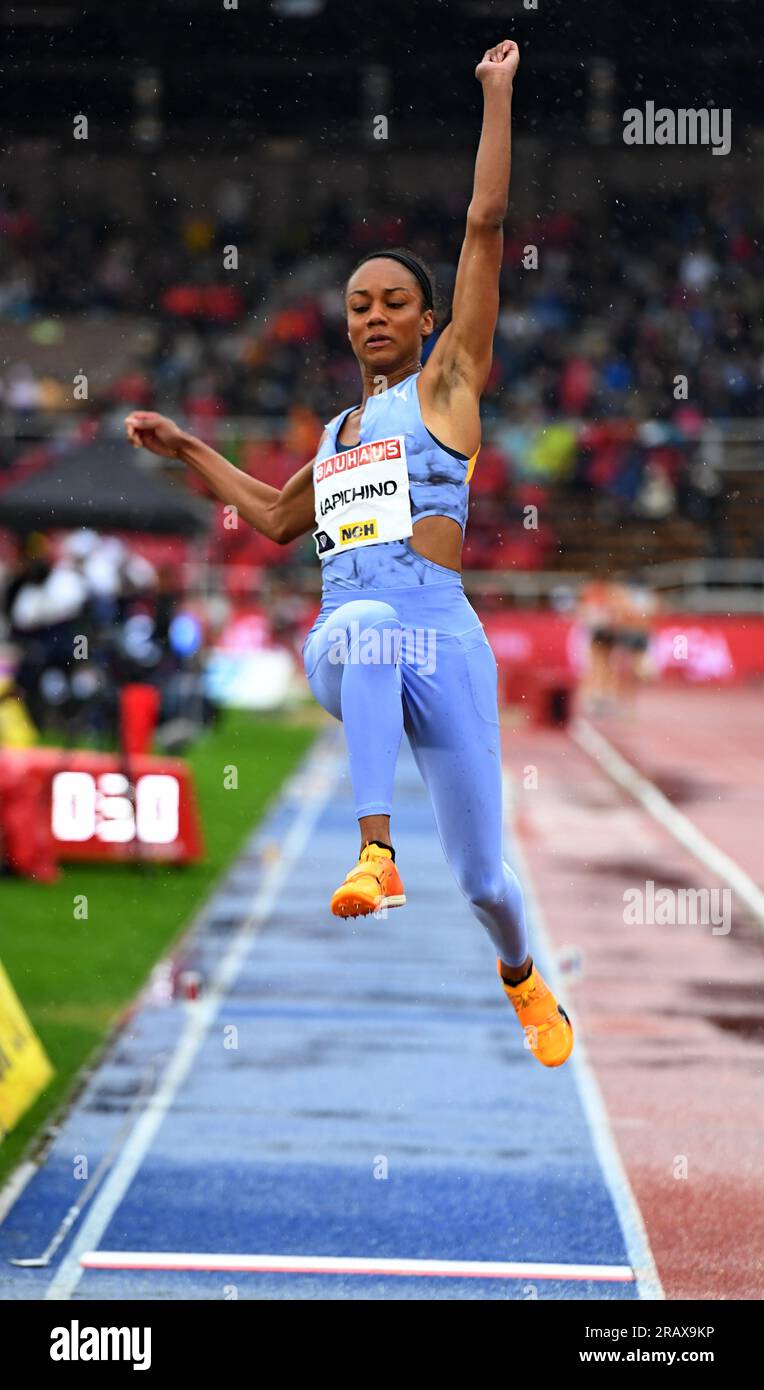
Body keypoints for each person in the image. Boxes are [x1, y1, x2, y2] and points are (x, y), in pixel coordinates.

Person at [125, 40, 572, 1068]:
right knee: (361, 628)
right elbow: (275, 520)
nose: (371, 315)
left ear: (426, 323)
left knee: (483, 880)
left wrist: (495, 96)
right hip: (352, 633)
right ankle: (374, 851)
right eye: (356, 306)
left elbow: (483, 224)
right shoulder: (333, 436)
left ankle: (520, 977)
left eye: (391, 303)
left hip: (444, 637)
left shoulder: (448, 388)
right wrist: (191, 448)